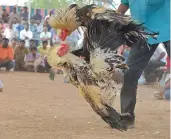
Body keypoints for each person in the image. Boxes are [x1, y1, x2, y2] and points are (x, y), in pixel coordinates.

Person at [117, 0, 170, 128]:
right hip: (143, 34)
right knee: (129, 73)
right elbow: (122, 8)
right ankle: (126, 117)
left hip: (168, 28)